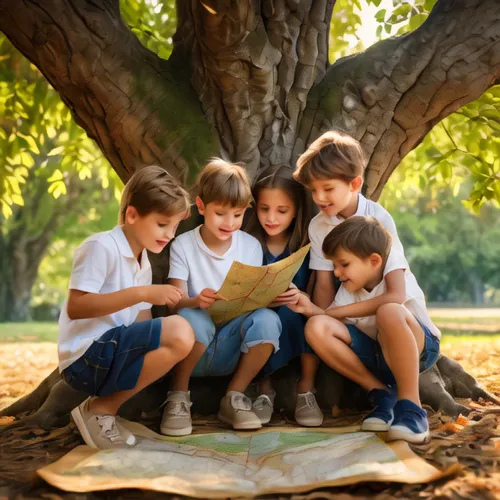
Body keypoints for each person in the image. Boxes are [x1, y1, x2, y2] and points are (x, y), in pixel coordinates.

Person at [60, 166, 196, 449]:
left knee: (181, 335)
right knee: (180, 331)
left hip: (113, 351)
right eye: (162, 224)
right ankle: (99, 410)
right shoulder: (101, 246)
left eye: (174, 227)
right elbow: (77, 307)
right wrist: (142, 293)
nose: (170, 234)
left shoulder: (142, 262)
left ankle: (105, 410)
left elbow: (141, 325)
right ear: (132, 215)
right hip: (86, 358)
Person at [289, 217, 441, 443]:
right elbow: (329, 318)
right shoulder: (347, 291)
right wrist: (309, 308)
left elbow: (394, 298)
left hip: (419, 350)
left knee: (388, 311)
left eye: (344, 264)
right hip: (378, 357)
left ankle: (411, 406)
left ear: (374, 261)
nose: (337, 273)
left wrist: (337, 312)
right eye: (334, 266)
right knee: (316, 326)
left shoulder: (395, 270)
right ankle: (382, 394)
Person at [163, 159, 282, 436]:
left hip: (232, 346)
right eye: (221, 214)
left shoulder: (250, 246)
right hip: (190, 346)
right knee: (195, 318)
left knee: (268, 320)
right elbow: (173, 301)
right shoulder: (183, 244)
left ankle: (234, 396)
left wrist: (268, 297)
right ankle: (178, 396)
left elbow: (254, 302)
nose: (230, 223)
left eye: (238, 215)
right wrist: (196, 301)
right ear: (201, 206)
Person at [245, 164, 323, 426]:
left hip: (297, 317)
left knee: (300, 315)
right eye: (264, 208)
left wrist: (301, 297)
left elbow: (314, 290)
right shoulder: (248, 243)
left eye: (282, 211)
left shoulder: (304, 245)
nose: (271, 218)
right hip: (260, 317)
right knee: (262, 319)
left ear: (296, 211)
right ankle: (263, 389)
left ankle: (306, 389)